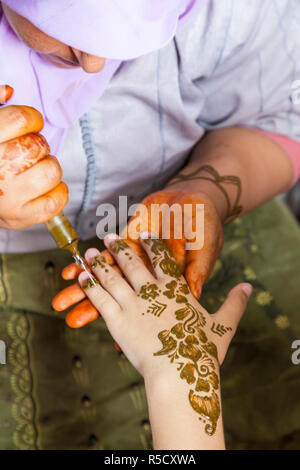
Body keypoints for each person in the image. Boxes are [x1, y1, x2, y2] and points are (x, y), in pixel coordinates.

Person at [0, 0, 299, 450]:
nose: (95, 62)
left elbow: (280, 115)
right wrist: (178, 383)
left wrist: (206, 195)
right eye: (68, 26)